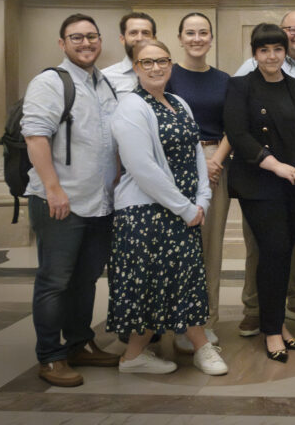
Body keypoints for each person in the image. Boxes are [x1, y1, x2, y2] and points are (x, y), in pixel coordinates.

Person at [108, 40, 228, 376]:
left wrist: (202, 199)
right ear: (135, 68)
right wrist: (185, 208)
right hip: (146, 214)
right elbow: (143, 168)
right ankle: (199, 346)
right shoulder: (131, 106)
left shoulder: (179, 103)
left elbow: (196, 156)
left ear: (171, 65)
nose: (155, 68)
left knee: (182, 281)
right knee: (155, 286)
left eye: (161, 61)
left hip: (183, 211)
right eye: (146, 63)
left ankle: (137, 356)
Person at [22, 14, 121, 387]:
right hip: (61, 201)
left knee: (85, 281)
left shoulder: (104, 84)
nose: (86, 43)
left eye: (92, 36)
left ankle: (80, 343)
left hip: (99, 203)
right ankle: (50, 357)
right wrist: (53, 189)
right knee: (55, 281)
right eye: (76, 37)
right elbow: (35, 136)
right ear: (62, 44)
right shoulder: (50, 82)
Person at [225, 23, 295, 362]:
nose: (272, 56)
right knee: (274, 252)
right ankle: (271, 331)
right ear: (254, 54)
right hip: (261, 183)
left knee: (286, 254)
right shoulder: (240, 86)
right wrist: (277, 166)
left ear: (285, 52)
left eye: (277, 49)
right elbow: (239, 135)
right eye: (264, 50)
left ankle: (278, 322)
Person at [165, 13, 230, 352]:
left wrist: (215, 162)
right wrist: (196, 162)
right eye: (190, 32)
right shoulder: (167, 75)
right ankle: (179, 322)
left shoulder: (224, 80)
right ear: (180, 38)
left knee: (210, 248)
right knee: (179, 249)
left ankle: (207, 321)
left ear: (211, 38)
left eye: (203, 32)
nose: (196, 38)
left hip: (217, 164)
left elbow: (233, 125)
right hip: (176, 167)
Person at [103, 12, 157, 95]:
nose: (140, 38)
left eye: (145, 33)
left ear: (154, 39)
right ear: (122, 39)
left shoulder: (165, 74)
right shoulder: (105, 77)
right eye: (133, 33)